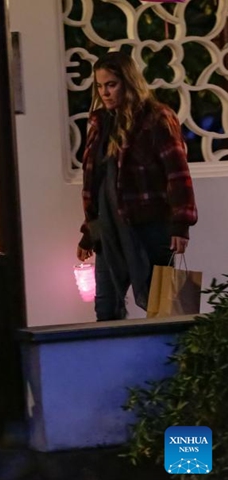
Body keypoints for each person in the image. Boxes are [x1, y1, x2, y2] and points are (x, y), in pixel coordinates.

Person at [76, 51, 197, 321]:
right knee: (106, 307)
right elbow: (95, 183)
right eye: (100, 85)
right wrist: (89, 232)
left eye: (111, 84)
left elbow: (177, 172)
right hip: (109, 229)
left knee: (163, 306)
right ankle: (112, 360)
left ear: (128, 82)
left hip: (150, 223)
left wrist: (181, 224)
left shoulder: (156, 117)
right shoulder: (99, 122)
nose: (105, 92)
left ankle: (165, 359)